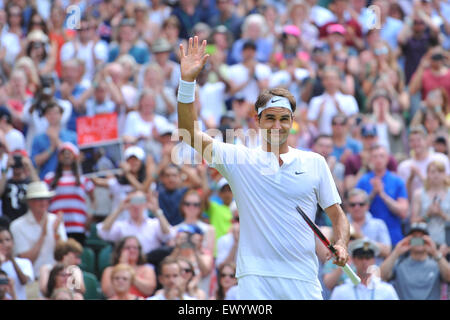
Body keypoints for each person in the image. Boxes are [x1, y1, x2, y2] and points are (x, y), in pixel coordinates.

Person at [177, 37, 350, 299]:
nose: (277, 125)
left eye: (284, 119)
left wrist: (341, 243)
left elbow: (337, 216)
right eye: (270, 118)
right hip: (255, 279)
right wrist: (187, 82)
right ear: (258, 121)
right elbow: (189, 133)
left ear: (292, 122)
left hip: (303, 277)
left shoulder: (315, 162)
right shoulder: (239, 159)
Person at [380, 222, 450, 300]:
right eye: (415, 237)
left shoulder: (437, 264)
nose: (418, 240)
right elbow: (380, 276)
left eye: (422, 237)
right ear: (409, 240)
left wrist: (435, 253)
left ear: (428, 240)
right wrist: (396, 252)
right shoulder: (399, 264)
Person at [10, 181, 67, 276]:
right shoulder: (17, 226)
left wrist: (56, 233)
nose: (44, 202)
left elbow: (64, 255)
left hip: (55, 280)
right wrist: (43, 235)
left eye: (46, 199)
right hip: (31, 281)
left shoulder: (55, 220)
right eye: (39, 199)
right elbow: (26, 260)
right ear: (30, 202)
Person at [356, 144, 409, 246]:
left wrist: (382, 194)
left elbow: (403, 212)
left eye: (381, 156)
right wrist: (373, 194)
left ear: (388, 158)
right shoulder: (363, 181)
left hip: (393, 236)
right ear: (370, 159)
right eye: (375, 157)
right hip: (368, 237)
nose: (378, 160)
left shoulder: (397, 181)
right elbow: (355, 208)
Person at [44, 142, 95, 245]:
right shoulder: (50, 178)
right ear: (59, 157)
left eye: (69, 153)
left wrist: (90, 216)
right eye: (63, 153)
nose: (66, 155)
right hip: (57, 225)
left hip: (78, 226)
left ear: (75, 157)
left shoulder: (83, 180)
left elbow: (93, 200)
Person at [97, 191, 173, 256]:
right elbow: (102, 232)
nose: (136, 206)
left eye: (140, 201)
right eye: (133, 201)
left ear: (145, 204)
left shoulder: (155, 223)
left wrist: (157, 210)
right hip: (127, 265)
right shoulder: (121, 225)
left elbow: (168, 234)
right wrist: (119, 209)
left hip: (151, 263)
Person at [330, 238, 399, 300]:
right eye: (360, 258)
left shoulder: (387, 290)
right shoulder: (341, 291)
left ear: (373, 260)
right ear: (353, 260)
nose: (364, 262)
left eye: (368, 258)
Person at [397, 125, 450, 200]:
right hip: (414, 208)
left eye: (419, 140)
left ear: (426, 140)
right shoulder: (404, 166)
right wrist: (410, 178)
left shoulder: (441, 159)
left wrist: (419, 174)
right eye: (412, 140)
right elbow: (403, 196)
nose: (416, 143)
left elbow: (447, 186)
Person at [344, 122, 398, 192]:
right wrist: (364, 167)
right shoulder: (352, 160)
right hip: (361, 199)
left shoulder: (388, 159)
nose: (369, 141)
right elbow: (349, 188)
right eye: (366, 138)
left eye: (372, 137)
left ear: (377, 138)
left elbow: (395, 185)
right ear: (361, 138)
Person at [30, 101, 78, 180]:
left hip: (69, 178)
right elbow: (35, 162)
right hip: (46, 179)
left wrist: (55, 139)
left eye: (56, 113)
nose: (53, 116)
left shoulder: (72, 136)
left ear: (61, 115)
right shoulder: (38, 138)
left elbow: (75, 157)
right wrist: (51, 148)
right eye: (49, 113)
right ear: (45, 116)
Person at [307, 66, 359, 135]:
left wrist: (340, 110)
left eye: (333, 78)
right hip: (323, 140)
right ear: (323, 81)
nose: (330, 81)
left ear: (339, 80)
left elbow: (354, 124)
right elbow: (311, 126)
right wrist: (319, 113)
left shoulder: (349, 99)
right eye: (327, 78)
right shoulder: (316, 101)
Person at [345, 188, 392, 263]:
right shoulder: (341, 225)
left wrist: (361, 238)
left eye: (361, 204)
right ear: (347, 207)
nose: (357, 207)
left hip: (373, 271)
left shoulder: (378, 224)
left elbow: (387, 251)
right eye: (352, 205)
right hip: (345, 272)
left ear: (367, 206)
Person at [411, 160, 450, 246]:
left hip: (447, 242)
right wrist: (427, 215)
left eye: (439, 171)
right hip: (424, 242)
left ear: (445, 174)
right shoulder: (418, 194)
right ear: (428, 174)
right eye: (433, 172)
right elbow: (413, 222)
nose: (436, 175)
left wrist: (441, 214)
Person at [0, 151, 39, 224]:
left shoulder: (29, 182)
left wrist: (29, 166)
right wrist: (6, 168)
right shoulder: (6, 182)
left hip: (27, 221)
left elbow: (39, 189)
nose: (17, 164)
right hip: (9, 221)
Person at [0, 227, 34, 300]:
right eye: (0, 241)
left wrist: (11, 258)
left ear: (13, 242)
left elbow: (24, 281)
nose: (5, 244)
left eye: (7, 240)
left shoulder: (24, 262)